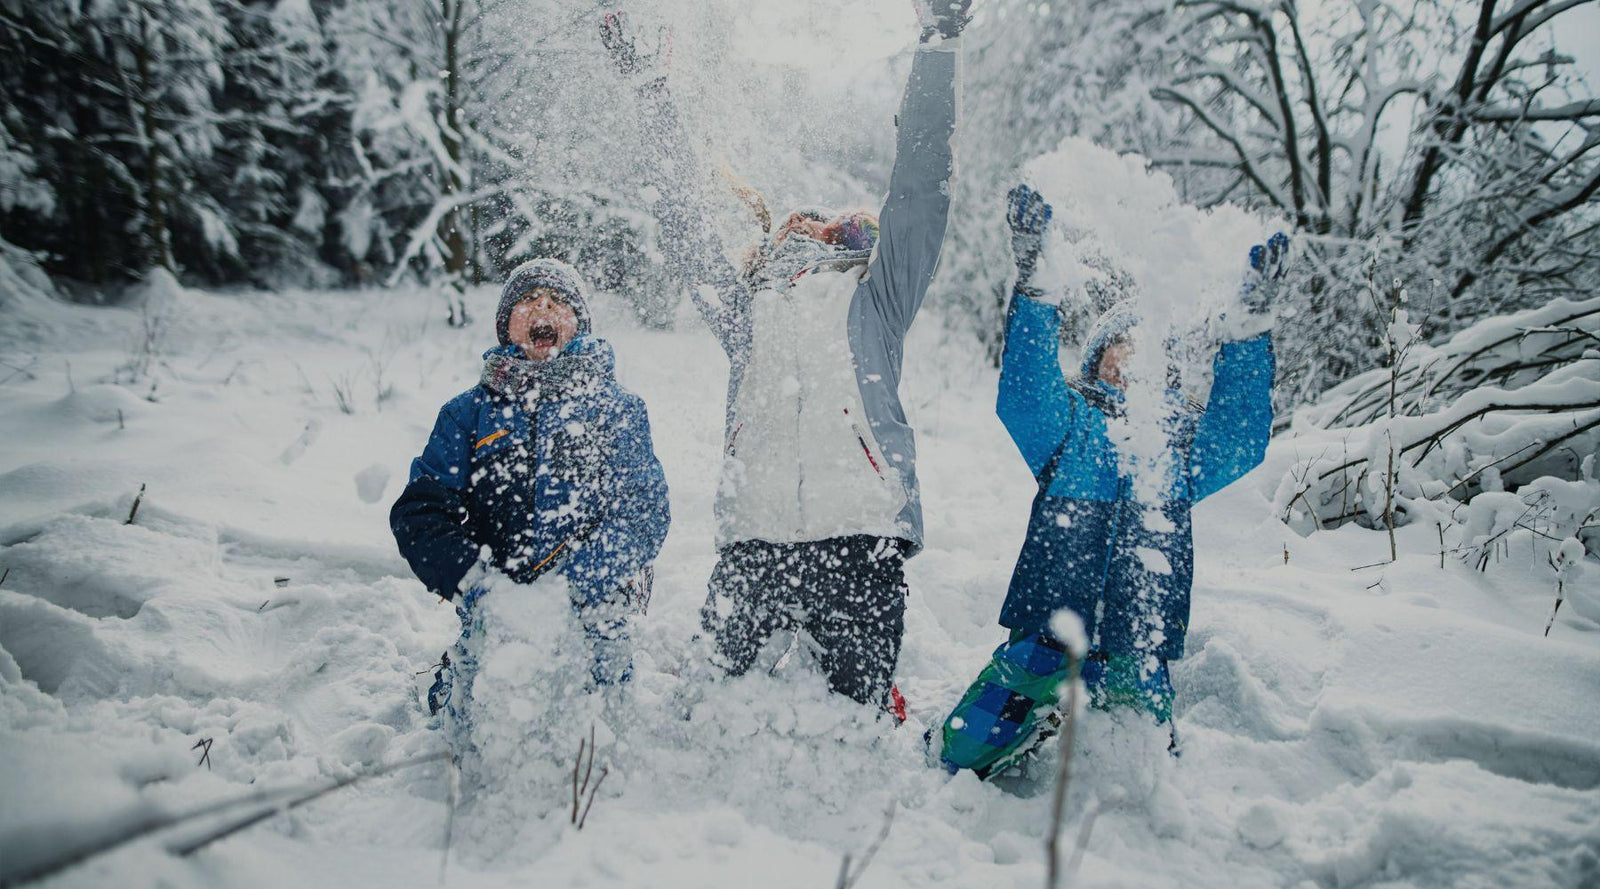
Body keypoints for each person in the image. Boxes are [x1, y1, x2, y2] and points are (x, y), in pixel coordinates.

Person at [597, 3, 969, 712]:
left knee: (850, 729)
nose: (807, 221)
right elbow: (682, 220)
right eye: (795, 218)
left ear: (851, 239)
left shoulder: (877, 299)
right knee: (702, 713)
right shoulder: (745, 314)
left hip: (860, 538)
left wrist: (939, 43)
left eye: (828, 220)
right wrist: (649, 91)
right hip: (754, 542)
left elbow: (919, 186)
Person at [938, 185, 1286, 777]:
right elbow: (1024, 396)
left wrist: (1248, 333)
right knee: (962, 751)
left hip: (1138, 639)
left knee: (1142, 772)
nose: (1132, 358)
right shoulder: (1070, 423)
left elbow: (1240, 437)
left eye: (1147, 350)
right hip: (1050, 628)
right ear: (1098, 358)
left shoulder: (1179, 446)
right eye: (1120, 346)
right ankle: (1031, 723)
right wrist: (1037, 293)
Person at [390, 258, 670, 750]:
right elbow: (421, 513)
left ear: (578, 326)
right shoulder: (468, 413)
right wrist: (476, 584)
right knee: (476, 722)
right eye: (528, 300)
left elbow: (645, 510)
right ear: (505, 327)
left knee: (599, 727)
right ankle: (455, 684)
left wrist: (580, 581)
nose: (543, 306)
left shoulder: (617, 408)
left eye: (558, 302)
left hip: (594, 598)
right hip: (497, 603)